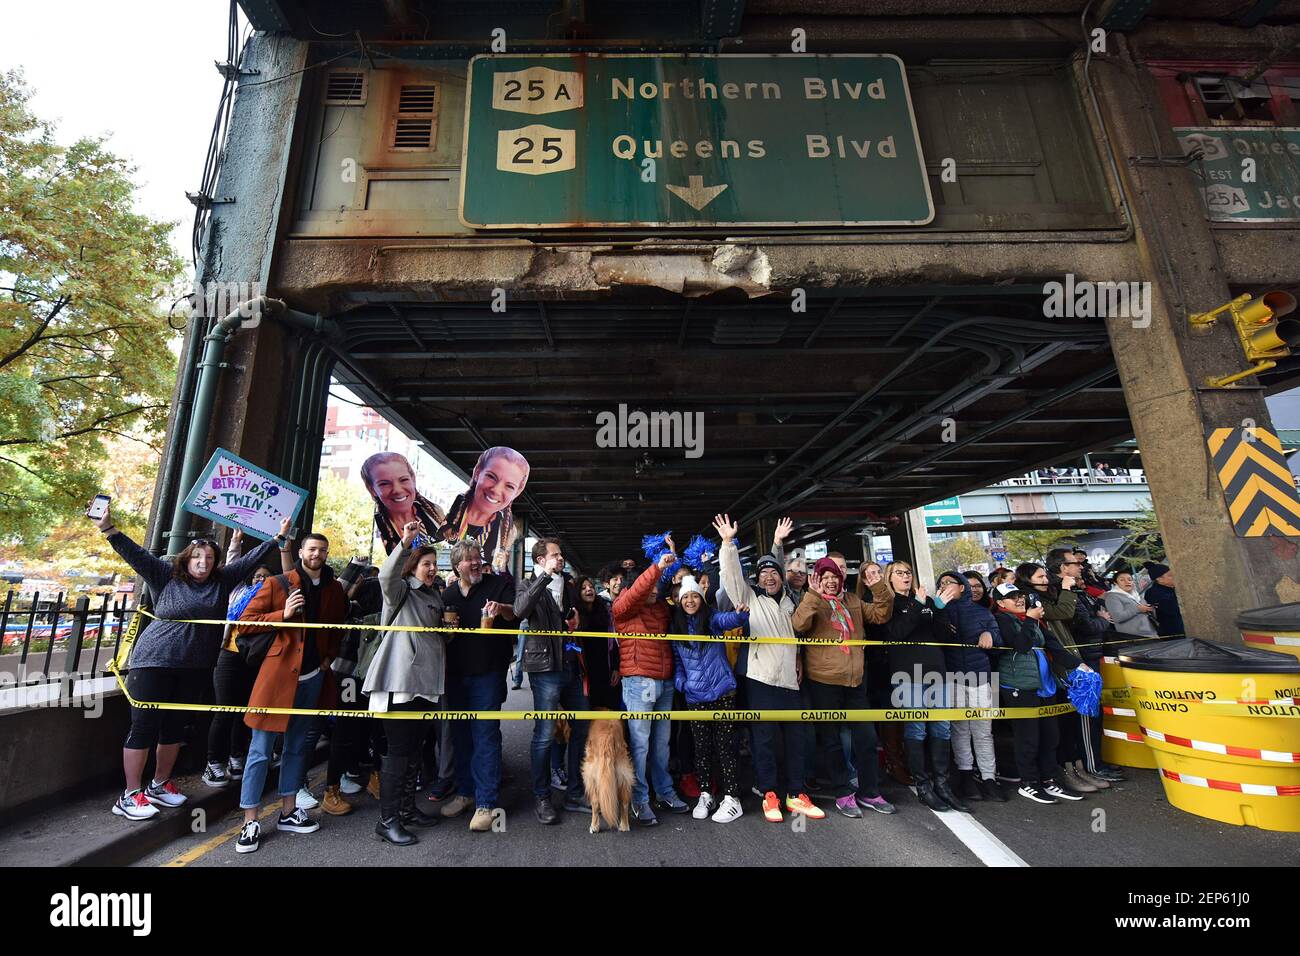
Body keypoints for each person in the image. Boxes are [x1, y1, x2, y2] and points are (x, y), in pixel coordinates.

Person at [91, 501, 285, 821]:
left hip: (194, 667)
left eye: (209, 558)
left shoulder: (222, 581)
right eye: (197, 557)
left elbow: (252, 559)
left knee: (174, 728)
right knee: (143, 727)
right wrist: (108, 529)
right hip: (154, 662)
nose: (203, 562)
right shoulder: (166, 576)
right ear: (187, 558)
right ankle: (129, 793)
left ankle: (160, 783)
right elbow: (136, 554)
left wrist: (278, 539)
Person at [235, 530, 348, 853]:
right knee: (260, 749)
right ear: (301, 552)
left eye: (322, 550)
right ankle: (250, 819)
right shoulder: (277, 583)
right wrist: (281, 615)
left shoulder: (334, 588)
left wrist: (328, 658)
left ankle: (287, 811)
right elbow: (245, 622)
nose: (317, 555)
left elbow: (337, 625)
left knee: (298, 747)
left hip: (313, 675)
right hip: (277, 676)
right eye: (312, 549)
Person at [714, 514, 824, 824]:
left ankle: (796, 793)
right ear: (757, 580)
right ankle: (769, 793)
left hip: (790, 680)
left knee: (796, 738)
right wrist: (727, 544)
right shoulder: (749, 598)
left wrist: (778, 544)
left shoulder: (790, 600)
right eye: (762, 573)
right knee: (763, 739)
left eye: (773, 572)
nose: (769, 577)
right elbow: (732, 574)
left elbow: (797, 635)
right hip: (760, 679)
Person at [360, 521, 447, 846]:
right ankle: (388, 820)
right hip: (399, 683)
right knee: (398, 752)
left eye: (435, 565)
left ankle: (408, 810)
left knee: (415, 750)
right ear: (413, 566)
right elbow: (386, 575)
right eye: (426, 564)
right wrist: (405, 542)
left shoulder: (433, 595)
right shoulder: (400, 590)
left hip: (426, 685)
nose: (432, 569)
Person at [792, 556, 896, 818]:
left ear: (841, 579)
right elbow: (798, 625)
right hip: (824, 681)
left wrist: (879, 588)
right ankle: (842, 792)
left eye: (834, 577)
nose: (830, 581)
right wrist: (813, 597)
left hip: (856, 680)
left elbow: (880, 615)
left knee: (867, 739)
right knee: (832, 741)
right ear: (817, 579)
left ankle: (870, 792)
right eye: (824, 577)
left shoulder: (852, 601)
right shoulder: (811, 598)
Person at [439, 538, 516, 831]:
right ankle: (465, 793)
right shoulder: (448, 594)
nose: (475, 563)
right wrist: (447, 632)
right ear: (457, 565)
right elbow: (442, 636)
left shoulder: (497, 586)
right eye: (469, 559)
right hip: (455, 675)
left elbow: (516, 614)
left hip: (488, 673)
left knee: (485, 735)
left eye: (477, 558)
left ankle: (486, 803)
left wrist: (503, 609)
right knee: (460, 736)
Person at [613, 536, 688, 826]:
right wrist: (656, 567)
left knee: (661, 745)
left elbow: (671, 583)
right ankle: (639, 799)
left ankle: (665, 792)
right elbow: (639, 590)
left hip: (665, 682)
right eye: (650, 585)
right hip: (638, 681)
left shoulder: (661, 607)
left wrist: (670, 556)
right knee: (641, 745)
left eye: (659, 586)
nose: (655, 590)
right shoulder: (625, 606)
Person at [514, 538, 589, 824]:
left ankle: (573, 793)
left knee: (581, 726)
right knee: (544, 734)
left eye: (561, 555)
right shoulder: (527, 582)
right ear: (540, 560)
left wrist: (573, 621)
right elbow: (520, 610)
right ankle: (542, 796)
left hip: (571, 664)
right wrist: (544, 576)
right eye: (555, 555)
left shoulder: (568, 585)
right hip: (544, 668)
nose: (561, 559)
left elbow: (570, 617)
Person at [991, 582, 1082, 804]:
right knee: (1028, 737)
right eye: (1012, 597)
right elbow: (1020, 645)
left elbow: (1055, 647)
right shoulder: (1001, 620)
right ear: (1001, 603)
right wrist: (1031, 619)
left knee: (1051, 735)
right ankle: (1029, 783)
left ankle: (1050, 779)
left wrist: (1079, 666)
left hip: (1046, 685)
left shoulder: (1034, 620)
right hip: (1018, 687)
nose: (1019, 599)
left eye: (1020, 595)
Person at [669, 575, 747, 823]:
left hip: (723, 691)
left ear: (702, 599)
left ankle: (732, 798)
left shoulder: (711, 619)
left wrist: (740, 615)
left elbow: (728, 620)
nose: (690, 601)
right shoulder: (676, 628)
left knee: (725, 746)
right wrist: (682, 683)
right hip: (695, 696)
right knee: (701, 748)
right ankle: (706, 793)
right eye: (685, 597)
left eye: (694, 596)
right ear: (679, 601)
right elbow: (678, 663)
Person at [883, 565, 958, 810]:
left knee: (942, 728)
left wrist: (939, 609)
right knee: (916, 729)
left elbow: (945, 636)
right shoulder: (889, 603)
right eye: (899, 573)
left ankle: (942, 785)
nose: (906, 576)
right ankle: (923, 785)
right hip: (906, 674)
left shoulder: (925, 602)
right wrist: (917, 604)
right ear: (889, 579)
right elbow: (896, 633)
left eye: (908, 573)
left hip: (936, 670)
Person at [936, 570, 1004, 803]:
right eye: (941, 583)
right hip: (951, 678)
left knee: (984, 731)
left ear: (962, 587)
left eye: (950, 583)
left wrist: (989, 634)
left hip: (983, 677)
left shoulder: (983, 612)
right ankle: (965, 774)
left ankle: (989, 777)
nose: (945, 586)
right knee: (959, 729)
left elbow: (999, 638)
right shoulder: (937, 612)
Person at [204, 560, 273, 788]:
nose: (260, 580)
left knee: (245, 710)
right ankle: (213, 762)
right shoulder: (238, 594)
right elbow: (232, 568)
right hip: (229, 655)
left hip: (253, 659)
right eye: (257, 576)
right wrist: (235, 542)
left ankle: (236, 757)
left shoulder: (274, 601)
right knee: (224, 709)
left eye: (265, 576)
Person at [440, 446, 529, 572]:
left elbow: (498, 572)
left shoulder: (507, 532)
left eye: (509, 486)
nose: (496, 490)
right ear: (477, 472)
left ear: (517, 492)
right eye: (491, 477)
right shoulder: (444, 513)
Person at [361, 451, 447, 556]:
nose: (397, 490)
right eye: (384, 484)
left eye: (403, 480)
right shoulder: (374, 530)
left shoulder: (434, 512)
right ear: (372, 490)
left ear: (413, 479)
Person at [575, 575, 621, 710]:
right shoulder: (574, 613)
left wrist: (616, 668)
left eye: (591, 587)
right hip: (584, 672)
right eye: (583, 588)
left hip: (606, 670)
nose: (589, 590)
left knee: (610, 709)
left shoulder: (606, 610)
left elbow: (615, 642)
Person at [1105, 568, 1158, 639]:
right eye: (1122, 580)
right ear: (1115, 583)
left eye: (1130, 579)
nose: (1127, 582)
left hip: (1151, 632)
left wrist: (1150, 608)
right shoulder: (1112, 596)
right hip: (1133, 637)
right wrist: (1138, 609)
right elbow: (1117, 617)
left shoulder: (1136, 595)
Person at [1142, 563, 1183, 637]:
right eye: (1170, 575)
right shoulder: (1153, 593)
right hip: (1172, 633)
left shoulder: (1171, 589)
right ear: (1159, 579)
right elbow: (1172, 610)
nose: (1174, 577)